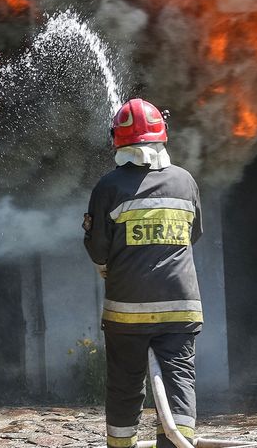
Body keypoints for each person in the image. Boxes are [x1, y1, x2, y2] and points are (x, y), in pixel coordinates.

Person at [83, 98, 203, 448]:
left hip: (127, 309)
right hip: (181, 306)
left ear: (118, 141)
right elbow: (193, 235)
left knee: (125, 385)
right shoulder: (185, 181)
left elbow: (97, 247)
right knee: (179, 381)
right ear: (162, 135)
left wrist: (110, 263)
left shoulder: (109, 187)